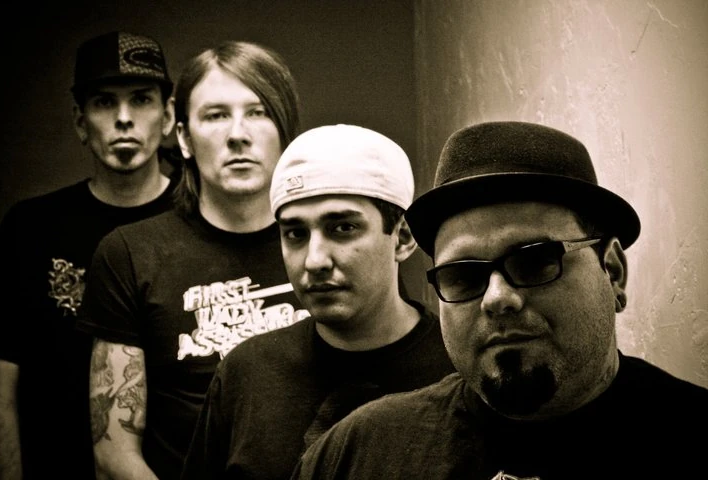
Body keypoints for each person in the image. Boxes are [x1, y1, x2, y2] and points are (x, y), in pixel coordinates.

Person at [291, 121, 708, 479]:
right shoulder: (359, 454)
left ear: (612, 272)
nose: (497, 298)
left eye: (535, 262)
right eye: (463, 276)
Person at [76, 40, 309, 480]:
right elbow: (113, 454)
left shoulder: (327, 245)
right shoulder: (131, 253)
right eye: (216, 115)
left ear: (286, 131)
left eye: (258, 112)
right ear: (183, 137)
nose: (237, 134)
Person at [180, 124, 456, 480]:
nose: (314, 260)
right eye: (295, 234)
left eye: (342, 228)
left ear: (402, 238)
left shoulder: (458, 366)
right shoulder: (246, 374)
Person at [0, 31, 177, 479]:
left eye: (141, 100)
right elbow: (2, 385)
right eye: (104, 102)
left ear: (168, 115)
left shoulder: (200, 219)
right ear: (79, 120)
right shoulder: (31, 228)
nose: (124, 119)